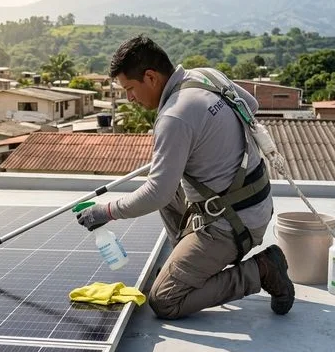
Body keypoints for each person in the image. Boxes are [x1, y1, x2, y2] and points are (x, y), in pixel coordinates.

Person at [76, 34, 295, 319]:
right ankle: (189, 260)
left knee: (164, 300)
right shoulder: (206, 76)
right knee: (167, 186)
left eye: (130, 88)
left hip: (234, 223)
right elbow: (249, 107)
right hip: (256, 200)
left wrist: (105, 211)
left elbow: (156, 193)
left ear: (151, 77)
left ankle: (262, 270)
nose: (129, 98)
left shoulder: (174, 117)